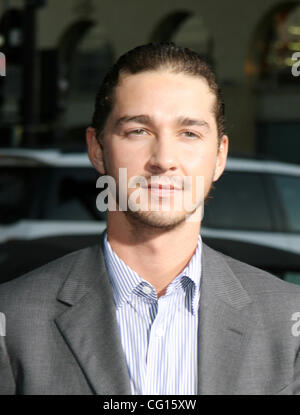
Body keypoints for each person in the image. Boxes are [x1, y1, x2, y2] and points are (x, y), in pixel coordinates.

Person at [1, 42, 300, 395]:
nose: (164, 159)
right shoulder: (14, 319)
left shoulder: (287, 320)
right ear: (97, 149)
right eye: (138, 131)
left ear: (219, 156)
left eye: (189, 133)